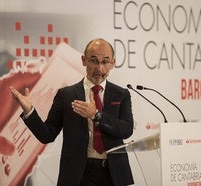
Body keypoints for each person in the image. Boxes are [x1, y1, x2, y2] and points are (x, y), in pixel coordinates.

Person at [10, 38, 134, 186]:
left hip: (113, 174)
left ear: (112, 63)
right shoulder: (66, 95)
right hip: (78, 175)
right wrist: (30, 111)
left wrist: (96, 115)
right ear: (84, 60)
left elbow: (126, 130)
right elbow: (47, 135)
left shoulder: (121, 94)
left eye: (105, 62)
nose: (100, 69)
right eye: (94, 61)